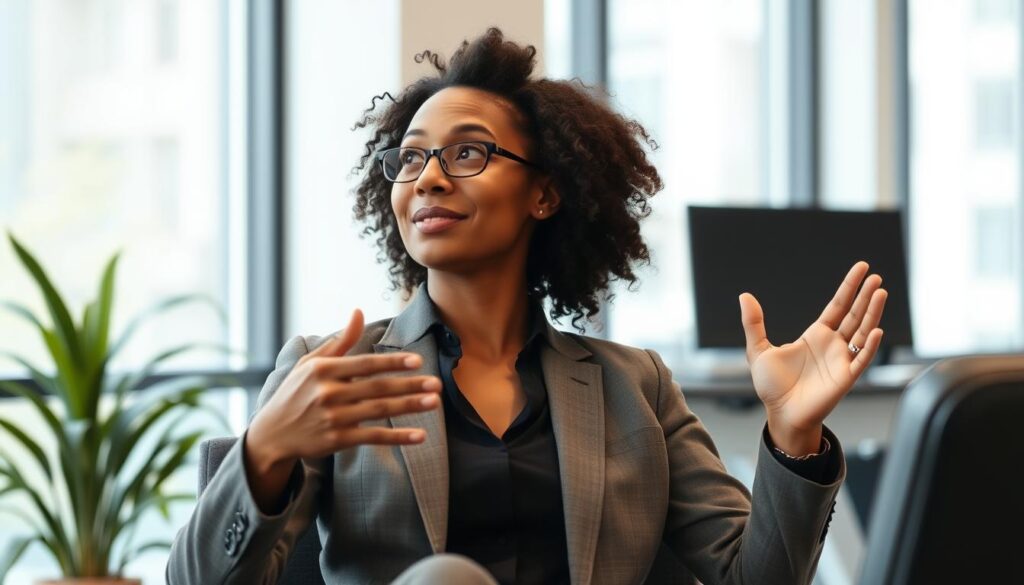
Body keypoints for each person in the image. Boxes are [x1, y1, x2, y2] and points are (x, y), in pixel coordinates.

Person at [167, 28, 888, 585]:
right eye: (410, 158)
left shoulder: (635, 387)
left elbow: (751, 577)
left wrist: (793, 434)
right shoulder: (334, 371)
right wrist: (265, 451)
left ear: (544, 192)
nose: (429, 179)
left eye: (468, 154)